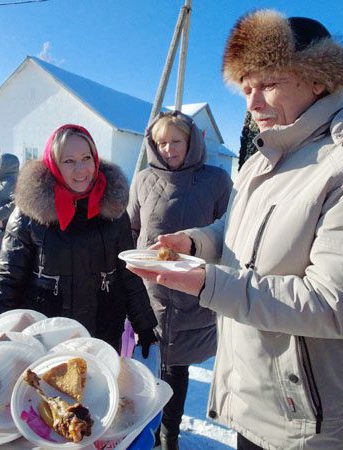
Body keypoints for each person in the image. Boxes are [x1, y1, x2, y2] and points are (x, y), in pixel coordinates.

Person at [127, 10, 343, 450]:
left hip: (307, 419)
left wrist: (209, 283)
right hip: (257, 399)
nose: (252, 102)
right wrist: (195, 242)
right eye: (246, 88)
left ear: (318, 79)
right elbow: (236, 227)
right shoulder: (265, 159)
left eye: (268, 84)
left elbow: (341, 303)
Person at [0, 124, 157, 354]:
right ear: (53, 164)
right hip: (46, 337)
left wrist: (145, 326)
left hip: (102, 334)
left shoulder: (113, 210)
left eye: (86, 158)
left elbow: (128, 275)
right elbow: (7, 281)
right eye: (68, 161)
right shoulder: (30, 213)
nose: (81, 169)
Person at [127, 111, 232, 450]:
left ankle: (170, 432)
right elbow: (132, 228)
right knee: (147, 364)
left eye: (177, 141)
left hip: (192, 288)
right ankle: (149, 430)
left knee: (178, 367)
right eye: (162, 142)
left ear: (192, 142)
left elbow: (228, 235)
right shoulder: (143, 179)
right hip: (150, 289)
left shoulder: (216, 180)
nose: (169, 148)